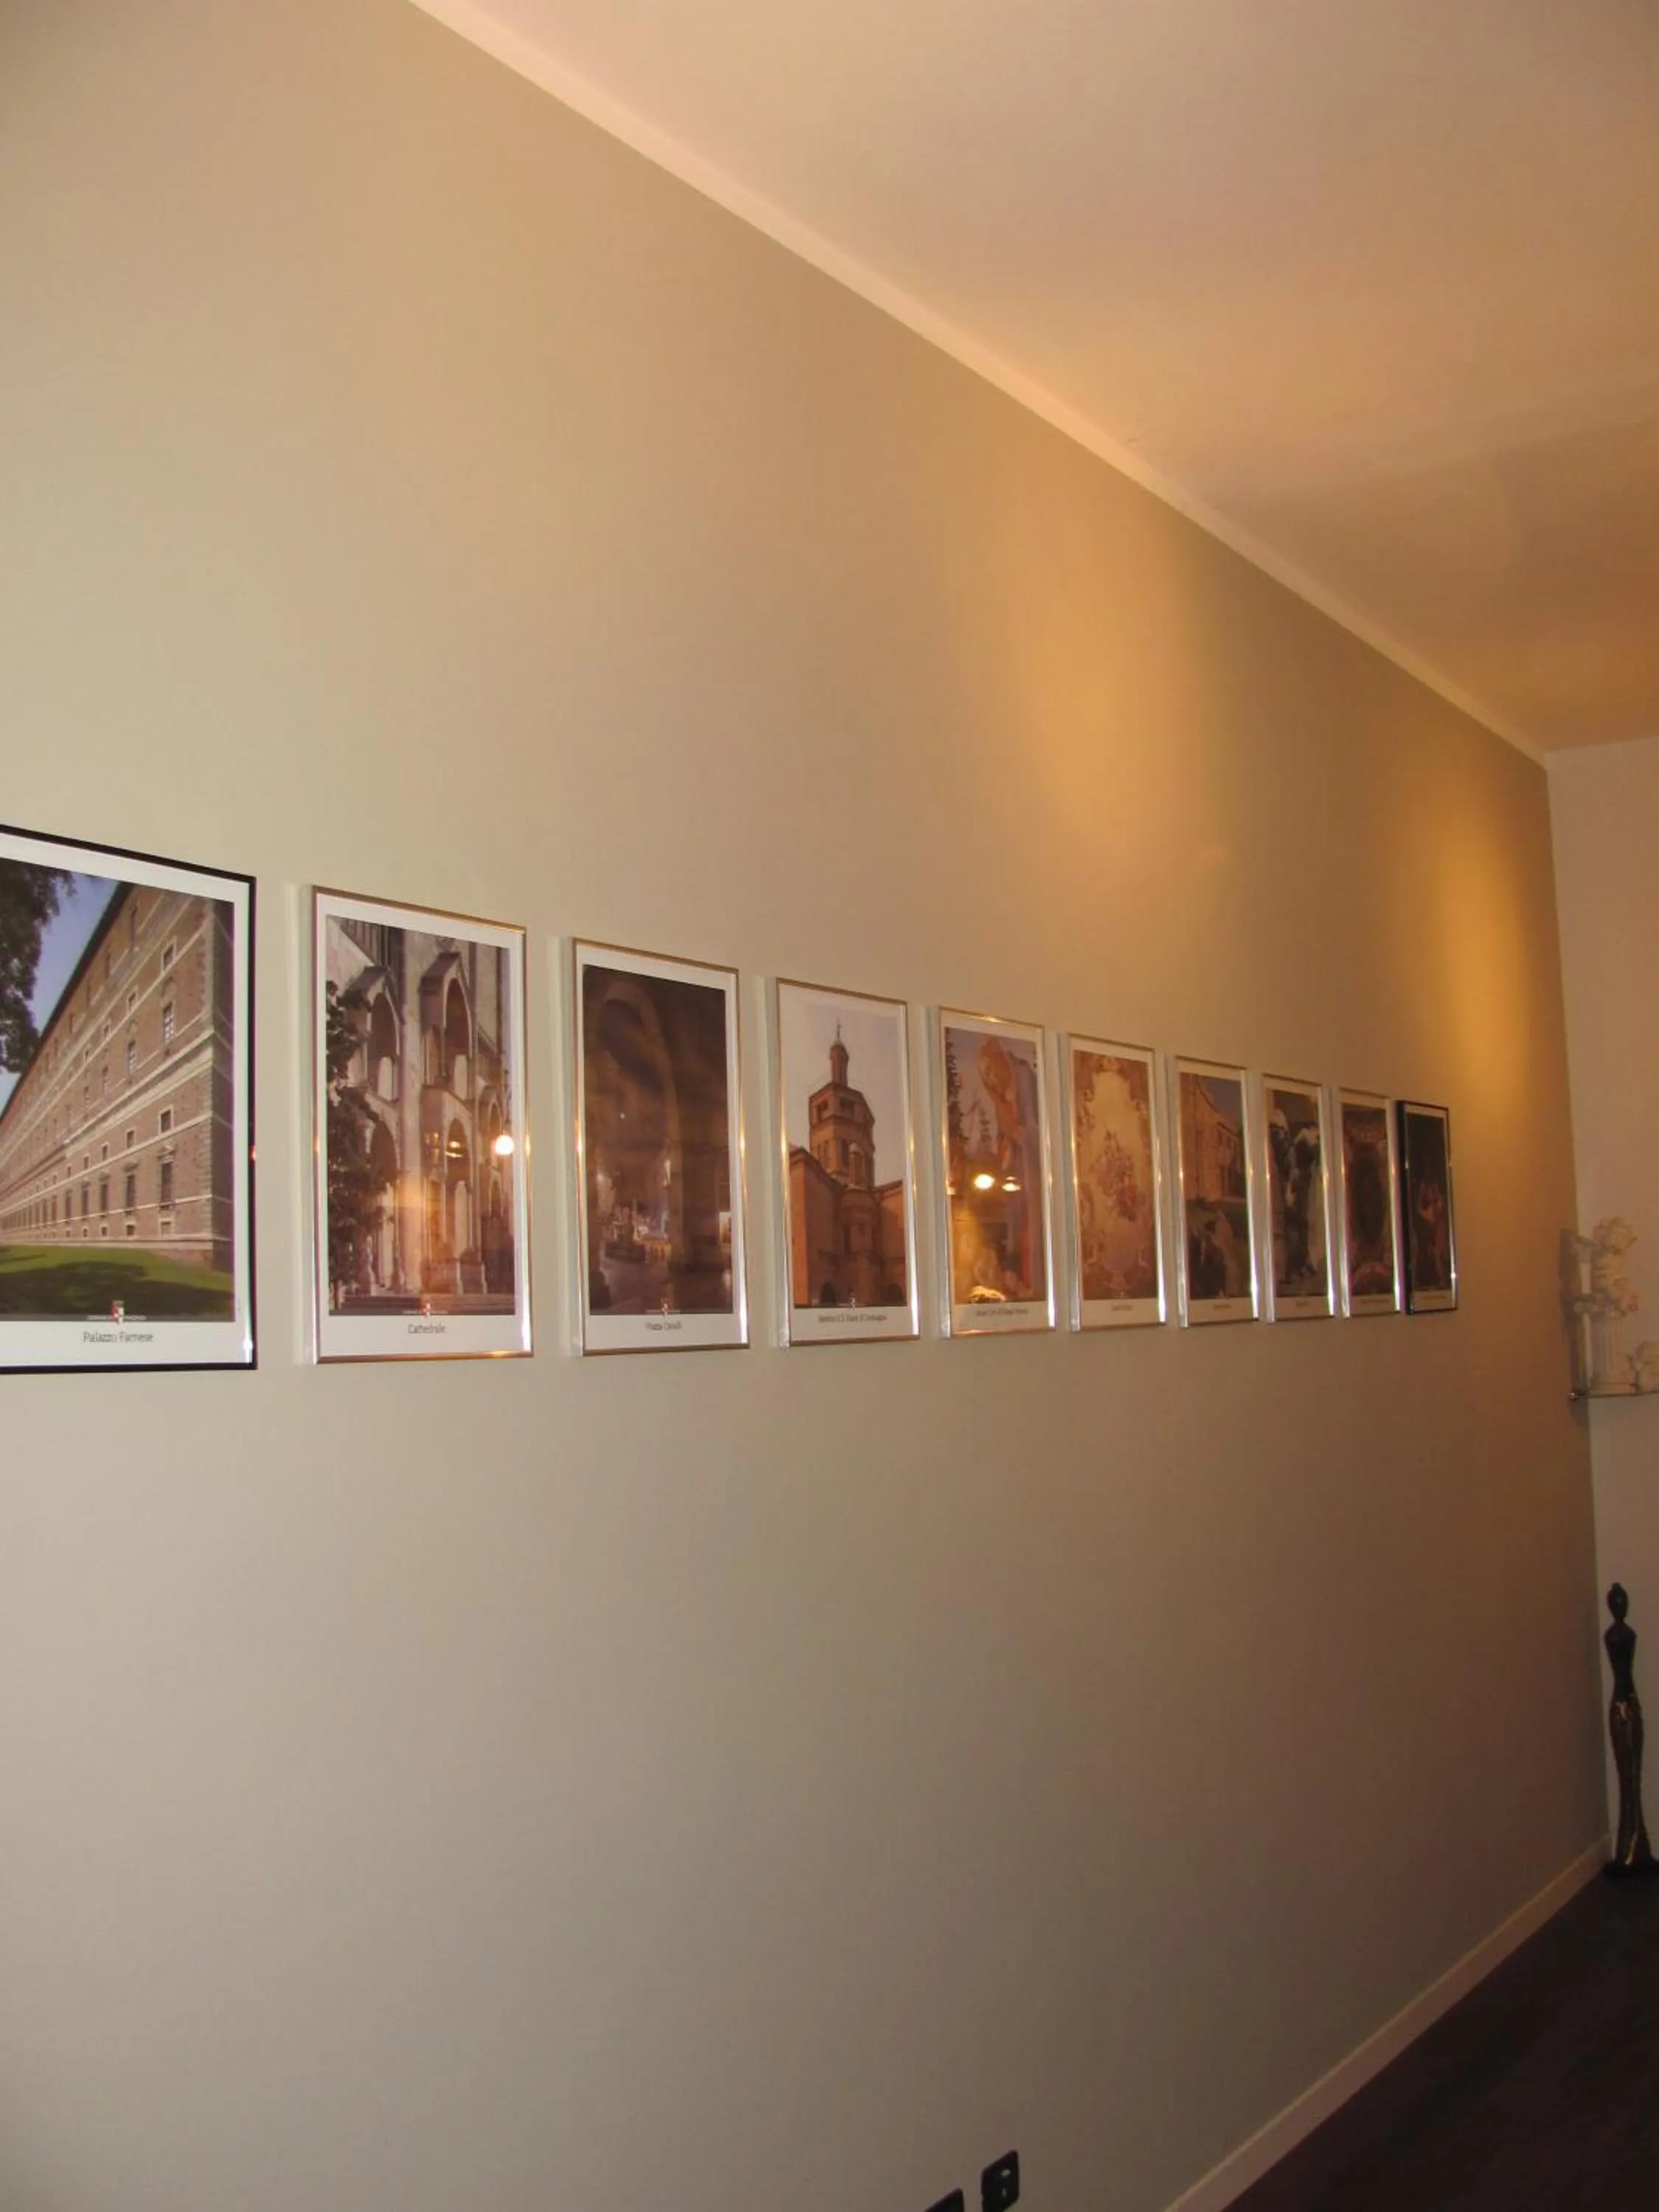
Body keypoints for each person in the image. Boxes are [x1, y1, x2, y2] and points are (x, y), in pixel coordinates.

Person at [1605, 1584, 1655, 1874]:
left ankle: (1636, 1845)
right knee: (1628, 1772)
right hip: (1624, 1705)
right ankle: (1629, 1847)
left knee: (1632, 1772)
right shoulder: (1615, 1636)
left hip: (1627, 1703)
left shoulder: (1623, 1635)